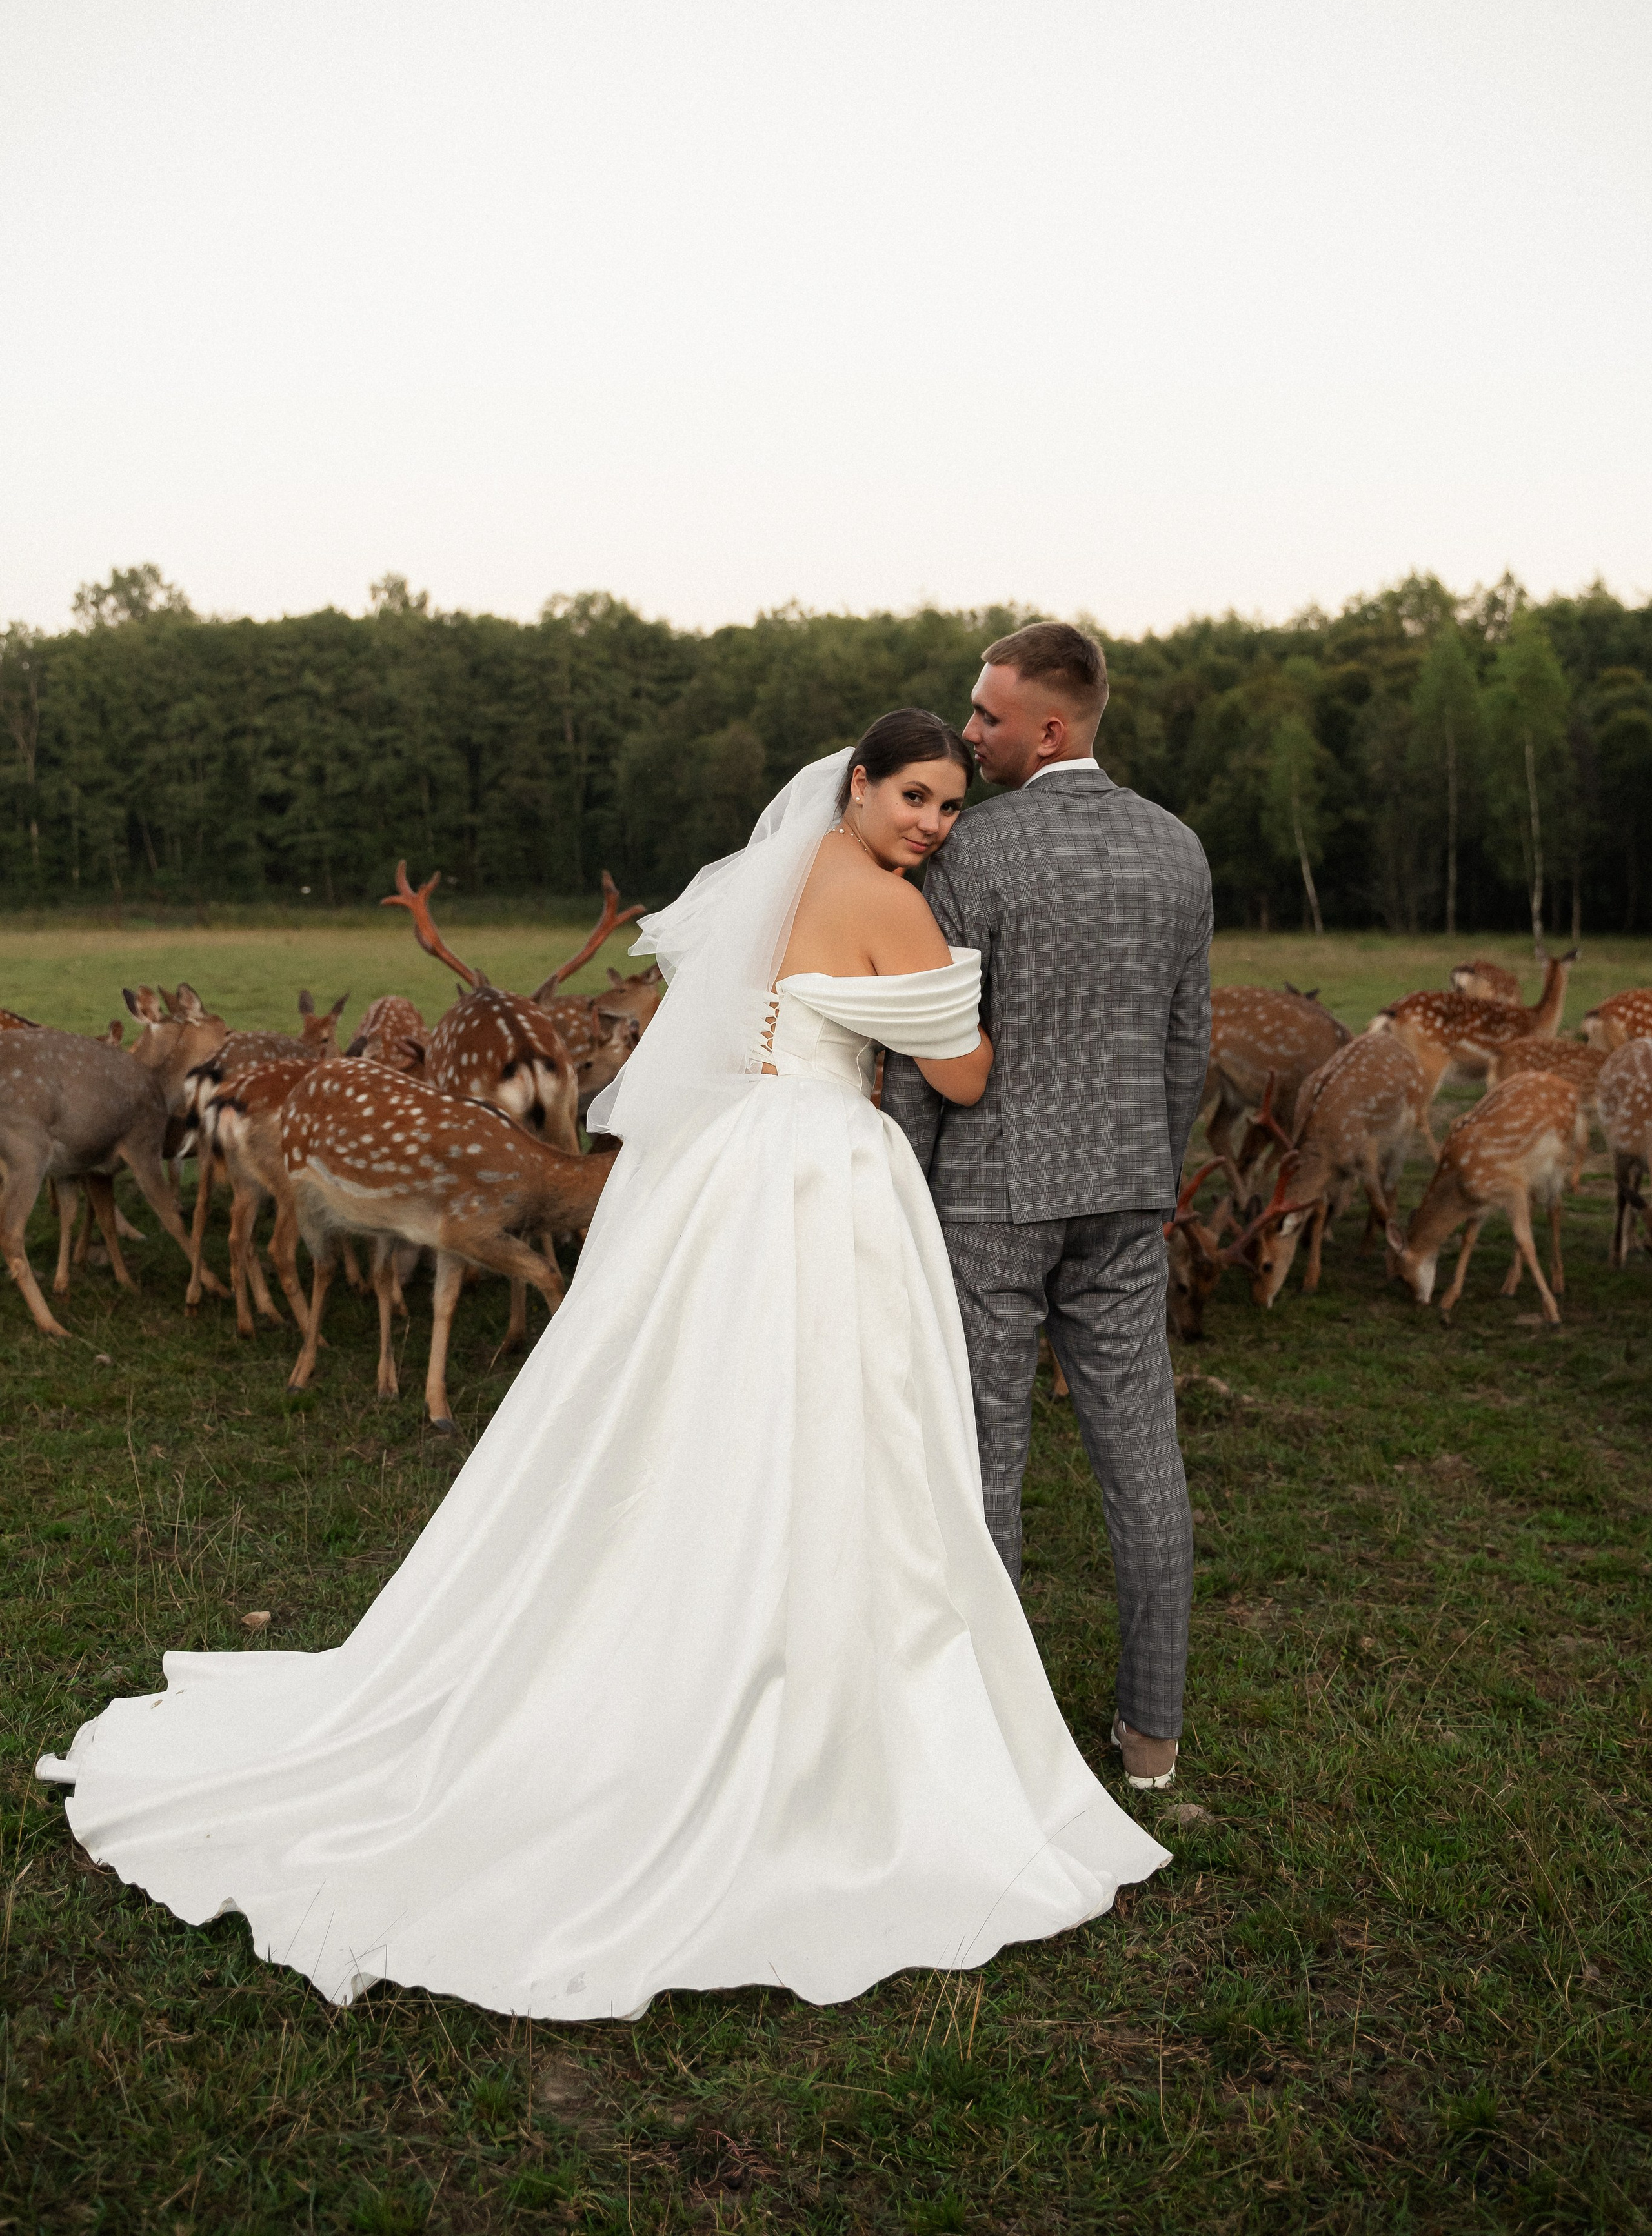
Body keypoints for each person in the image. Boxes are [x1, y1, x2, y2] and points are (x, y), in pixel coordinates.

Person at [38, 710, 1165, 2024]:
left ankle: (691, 1615)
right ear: (856, 786)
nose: (928, 823)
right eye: (912, 795)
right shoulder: (894, 910)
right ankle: (796, 1668)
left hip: (732, 1165)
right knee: (830, 1412)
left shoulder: (776, 876)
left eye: (946, 807)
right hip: (822, 1173)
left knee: (698, 1405)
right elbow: (962, 1076)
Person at [881, 628, 1213, 1795]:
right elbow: (1188, 1046)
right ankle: (1152, 1738)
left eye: (988, 716)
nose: (969, 732)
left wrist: (905, 1199)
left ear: (1052, 730)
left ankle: (994, 1733)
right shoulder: (1178, 850)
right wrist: (1153, 1180)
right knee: (1143, 1458)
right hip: (1127, 1193)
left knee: (987, 1467)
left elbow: (934, 1042)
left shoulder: (975, 852)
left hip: (989, 1198)